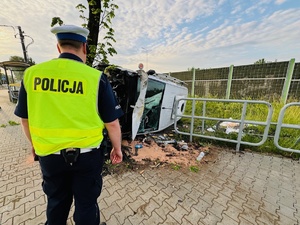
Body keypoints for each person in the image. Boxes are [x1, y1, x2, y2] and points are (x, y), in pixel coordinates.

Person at [14, 24, 123, 225]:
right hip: (87, 157)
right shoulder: (95, 78)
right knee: (86, 204)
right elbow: (112, 123)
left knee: (56, 202)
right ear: (84, 48)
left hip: (49, 155)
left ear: (58, 47)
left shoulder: (32, 74)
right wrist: (117, 149)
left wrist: (34, 145)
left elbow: (24, 120)